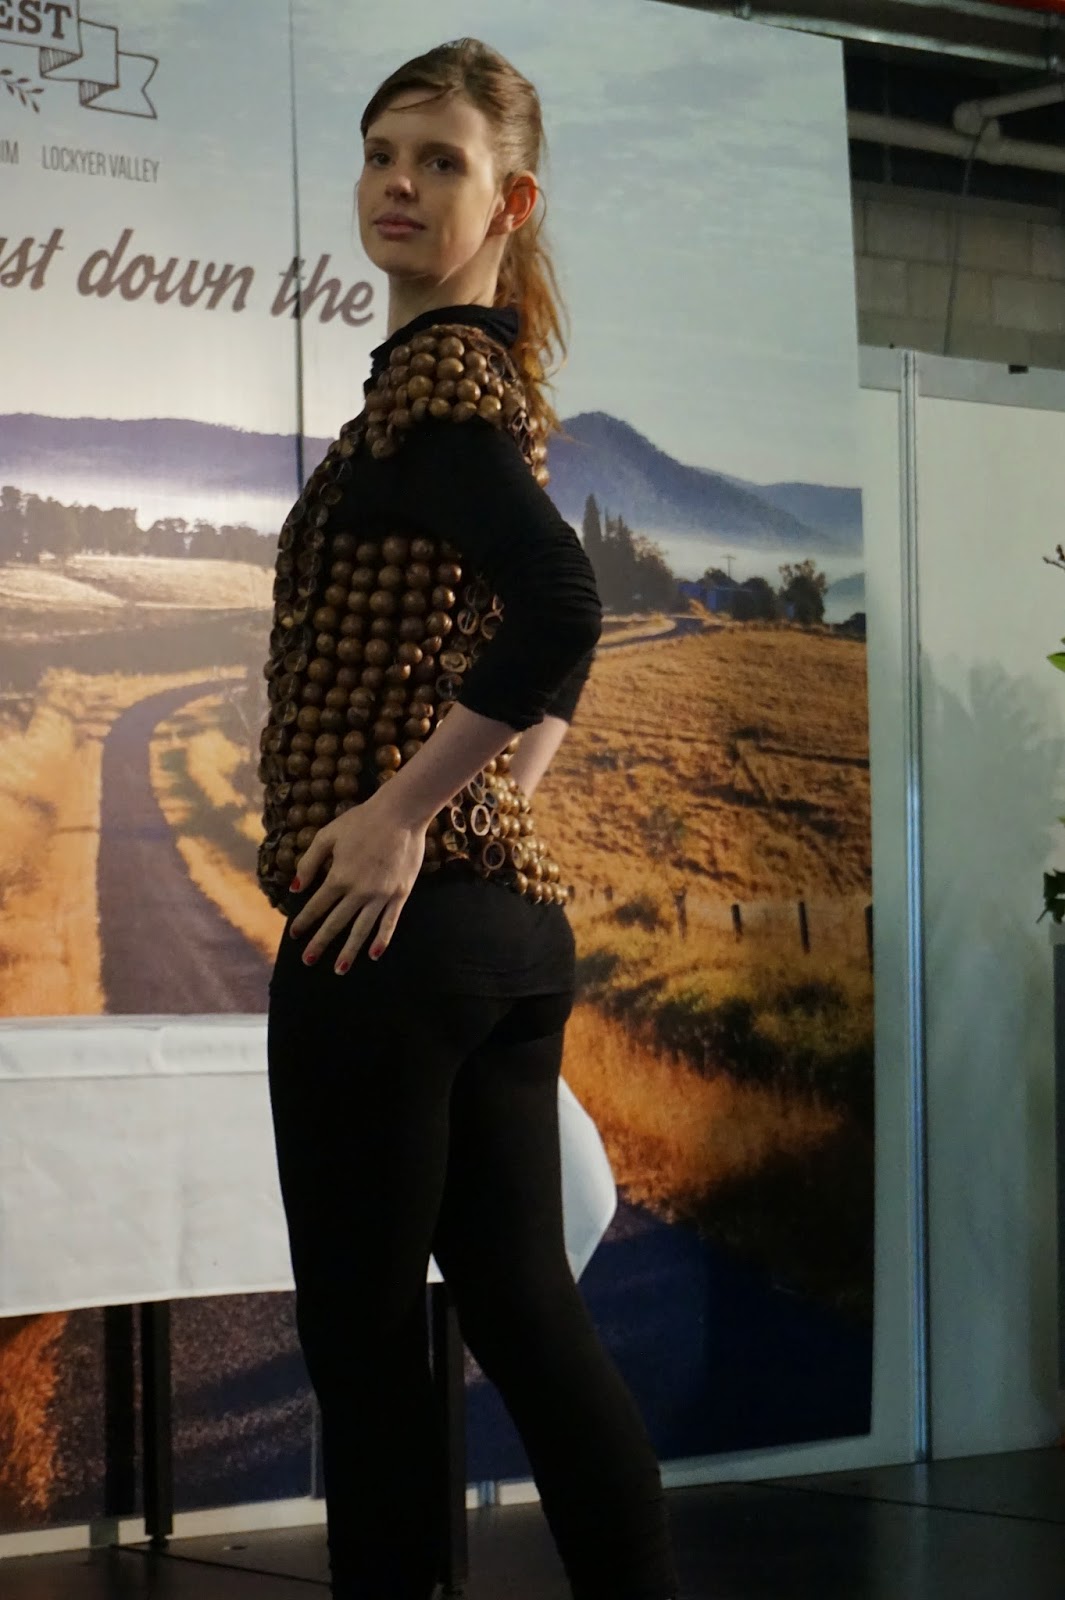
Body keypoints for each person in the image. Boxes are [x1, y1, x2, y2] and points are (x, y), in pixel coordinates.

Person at [260, 37, 681, 1600]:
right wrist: (498, 801)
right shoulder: (490, 391)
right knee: (522, 1307)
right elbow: (557, 629)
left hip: (391, 942)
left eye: (438, 160)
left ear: (509, 202)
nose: (396, 183)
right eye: (381, 152)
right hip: (500, 932)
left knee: (366, 1347)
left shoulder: (436, 393)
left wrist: (399, 817)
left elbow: (562, 601)